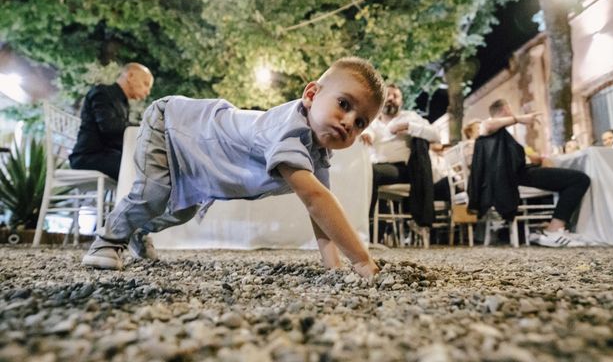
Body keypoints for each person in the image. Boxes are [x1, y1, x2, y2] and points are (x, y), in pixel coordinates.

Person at [81, 57, 385, 278]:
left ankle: (139, 229)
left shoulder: (317, 153)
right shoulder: (290, 131)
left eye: (361, 122)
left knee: (183, 209)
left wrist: (334, 267)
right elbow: (317, 201)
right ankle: (107, 241)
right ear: (311, 95)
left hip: (197, 146)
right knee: (155, 192)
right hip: (171, 122)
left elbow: (321, 215)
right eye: (344, 104)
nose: (349, 123)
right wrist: (361, 261)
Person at [473, 99, 590, 248]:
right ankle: (553, 230)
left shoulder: (499, 132)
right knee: (579, 179)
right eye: (510, 109)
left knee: (569, 178)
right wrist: (519, 119)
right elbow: (487, 124)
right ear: (505, 109)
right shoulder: (488, 127)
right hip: (518, 177)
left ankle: (555, 228)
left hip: (520, 174)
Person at [361, 84, 441, 236]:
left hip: (402, 169)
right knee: (361, 171)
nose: (391, 99)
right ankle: (363, 228)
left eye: (395, 96)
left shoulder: (410, 117)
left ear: (401, 101)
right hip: (375, 166)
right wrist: (367, 135)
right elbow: (369, 132)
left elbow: (436, 135)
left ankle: (365, 226)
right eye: (387, 95)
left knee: (370, 173)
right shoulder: (373, 122)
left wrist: (408, 126)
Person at [69, 63, 154, 180]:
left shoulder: (123, 104)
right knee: (140, 168)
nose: (147, 92)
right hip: (88, 156)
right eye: (145, 84)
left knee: (147, 164)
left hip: (107, 156)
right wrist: (143, 128)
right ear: (130, 76)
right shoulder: (102, 92)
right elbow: (109, 127)